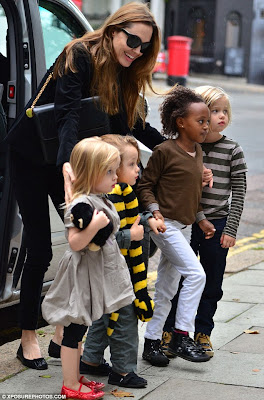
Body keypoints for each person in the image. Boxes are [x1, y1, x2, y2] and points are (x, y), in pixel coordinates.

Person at [7, 1, 165, 369]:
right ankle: (28, 336)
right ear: (112, 31)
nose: (136, 50)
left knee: (82, 247)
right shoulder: (79, 53)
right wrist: (68, 168)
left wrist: (178, 150)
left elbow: (132, 124)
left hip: (72, 160)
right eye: (131, 40)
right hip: (35, 154)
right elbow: (68, 115)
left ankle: (61, 334)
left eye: (144, 46)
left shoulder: (126, 72)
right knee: (41, 247)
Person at [41, 137, 135, 400]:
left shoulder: (95, 197)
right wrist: (93, 227)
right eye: (109, 171)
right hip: (81, 277)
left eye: (115, 170)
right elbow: (74, 242)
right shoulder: (81, 205)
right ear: (91, 172)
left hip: (92, 274)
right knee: (73, 331)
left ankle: (76, 377)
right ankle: (70, 385)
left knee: (80, 329)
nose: (115, 176)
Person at [137, 85, 215, 367]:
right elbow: (145, 186)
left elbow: (191, 194)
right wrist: (155, 213)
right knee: (196, 275)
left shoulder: (198, 152)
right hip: (164, 225)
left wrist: (201, 219)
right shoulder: (164, 151)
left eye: (207, 121)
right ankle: (181, 335)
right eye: (201, 121)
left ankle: (152, 342)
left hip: (185, 226)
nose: (206, 126)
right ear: (181, 122)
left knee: (167, 289)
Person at [79, 134, 165, 388]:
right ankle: (123, 371)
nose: (138, 169)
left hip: (109, 272)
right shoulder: (113, 196)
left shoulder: (123, 192)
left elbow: (132, 215)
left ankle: (91, 360)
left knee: (105, 317)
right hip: (116, 272)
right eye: (132, 164)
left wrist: (147, 219)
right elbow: (102, 238)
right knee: (126, 320)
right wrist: (132, 235)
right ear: (111, 168)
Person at [190, 86, 247, 356]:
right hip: (189, 223)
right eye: (215, 111)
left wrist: (231, 228)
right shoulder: (189, 148)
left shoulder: (232, 150)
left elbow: (239, 191)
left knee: (212, 282)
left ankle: (203, 332)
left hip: (220, 224)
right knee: (182, 279)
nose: (221, 116)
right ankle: (172, 331)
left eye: (225, 111)